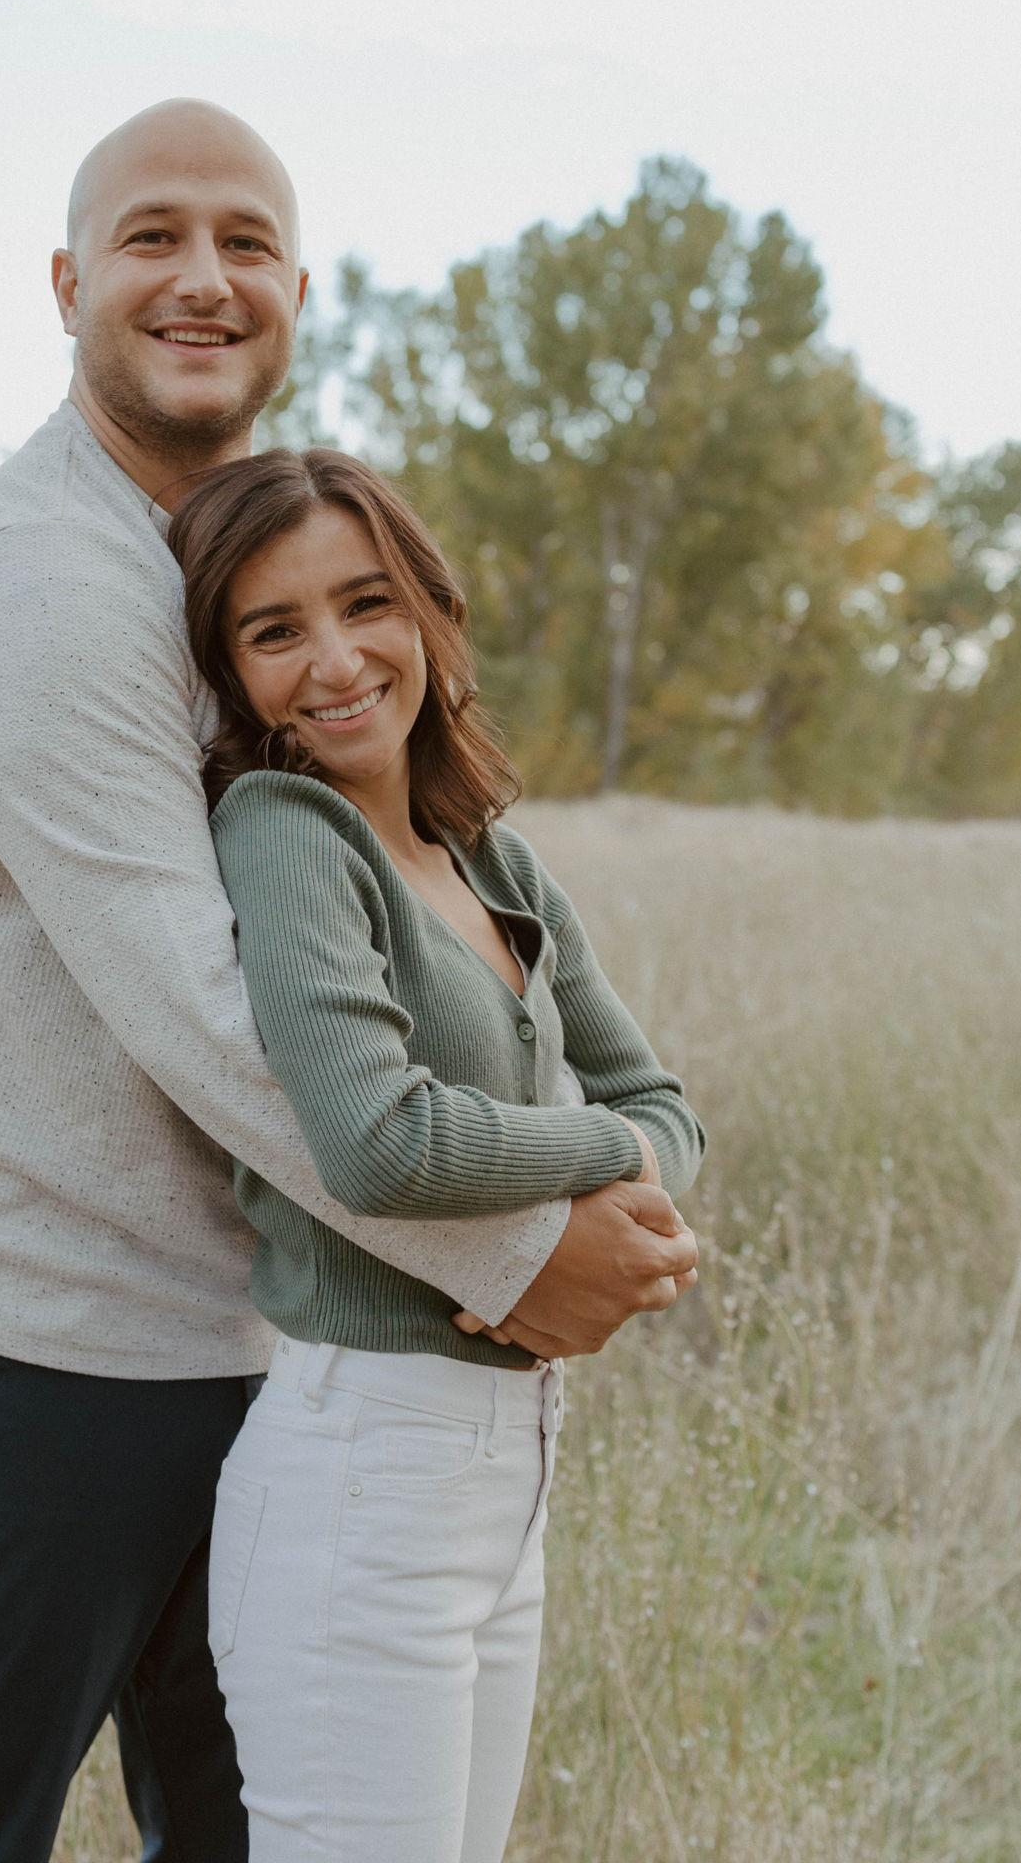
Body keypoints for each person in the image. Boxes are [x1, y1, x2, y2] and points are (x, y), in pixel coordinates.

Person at [0, 97, 702, 1862]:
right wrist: (524, 1255)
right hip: (14, 1354)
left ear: (301, 289)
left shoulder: (253, 569)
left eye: (246, 244)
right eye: (151, 237)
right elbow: (211, 1017)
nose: (202, 278)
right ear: (67, 285)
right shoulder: (33, 587)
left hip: (266, 1353)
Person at [166, 449, 704, 1861]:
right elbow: (378, 1141)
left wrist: (627, 1159)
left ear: (428, 610)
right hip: (365, 1473)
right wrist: (604, 1158)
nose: (337, 662)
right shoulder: (287, 831)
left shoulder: (492, 860)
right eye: (275, 631)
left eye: (366, 604)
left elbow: (668, 1103)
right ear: (231, 673)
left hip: (504, 1472)